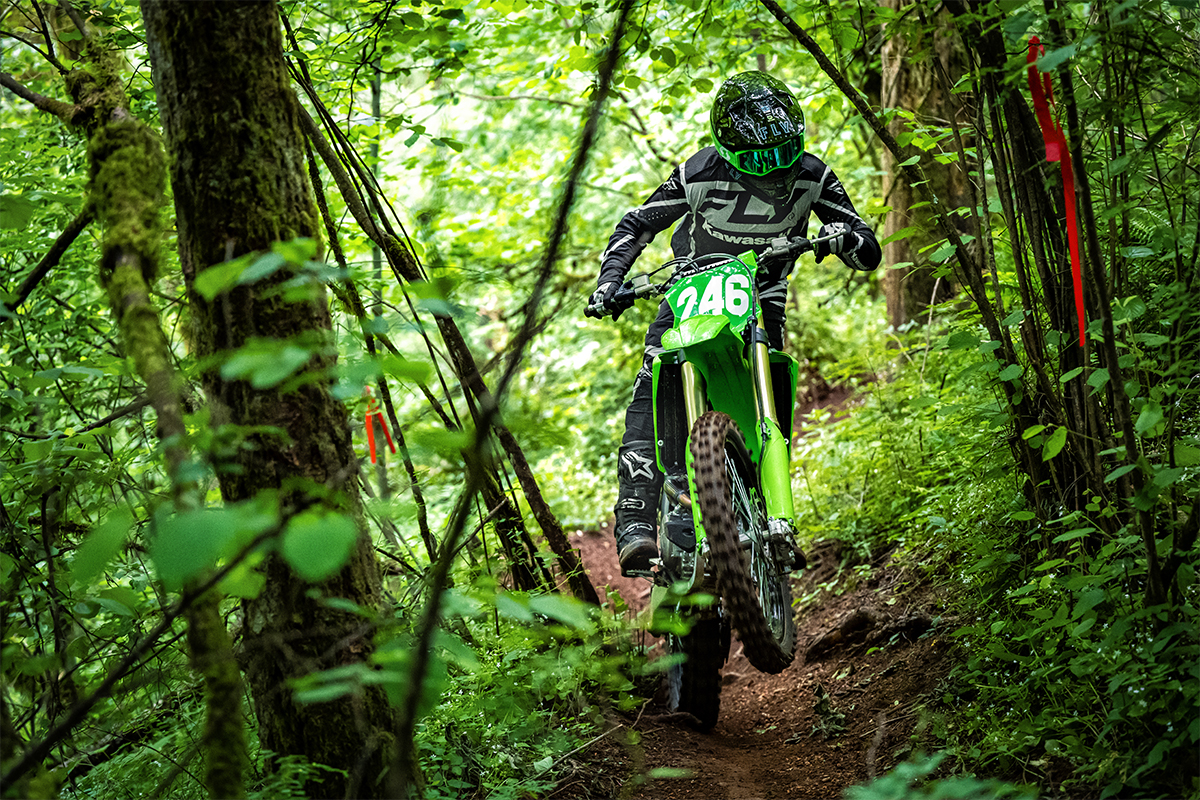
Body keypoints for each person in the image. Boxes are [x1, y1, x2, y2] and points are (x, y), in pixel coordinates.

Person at [586, 70, 882, 575]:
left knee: (772, 380)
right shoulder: (697, 173)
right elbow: (638, 223)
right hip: (688, 293)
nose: (773, 169)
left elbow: (865, 245)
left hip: (760, 297)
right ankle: (635, 521)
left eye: (782, 153)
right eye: (758, 159)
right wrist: (610, 280)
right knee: (651, 386)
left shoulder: (813, 176)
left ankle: (766, 510)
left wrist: (843, 237)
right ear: (726, 149)